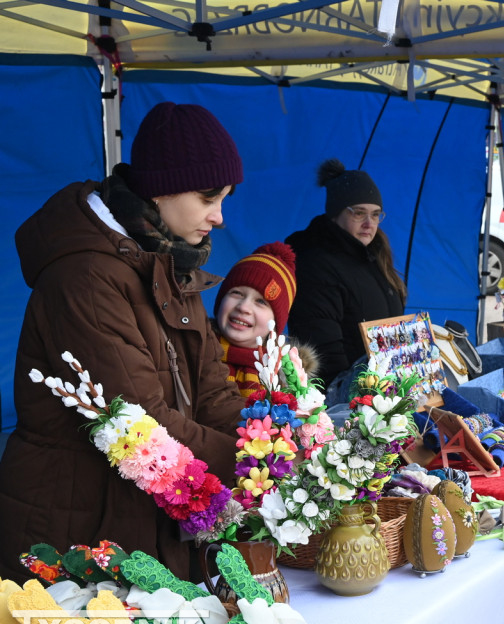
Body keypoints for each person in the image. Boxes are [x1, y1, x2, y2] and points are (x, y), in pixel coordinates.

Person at [0, 102, 246, 581]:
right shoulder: (85, 275)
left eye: (225, 198)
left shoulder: (174, 260)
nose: (219, 217)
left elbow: (212, 390)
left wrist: (275, 448)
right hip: (74, 526)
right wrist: (251, 466)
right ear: (162, 189)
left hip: (139, 514)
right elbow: (141, 419)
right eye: (209, 197)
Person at [286, 160, 406, 404]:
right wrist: (355, 399)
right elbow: (324, 350)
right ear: (336, 214)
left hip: (382, 392)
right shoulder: (316, 262)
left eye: (375, 215)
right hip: (349, 402)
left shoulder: (373, 255)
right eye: (359, 213)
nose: (369, 224)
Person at [214, 241, 319, 399]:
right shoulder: (193, 352)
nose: (244, 307)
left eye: (261, 302)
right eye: (237, 293)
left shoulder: (289, 378)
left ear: (277, 323)